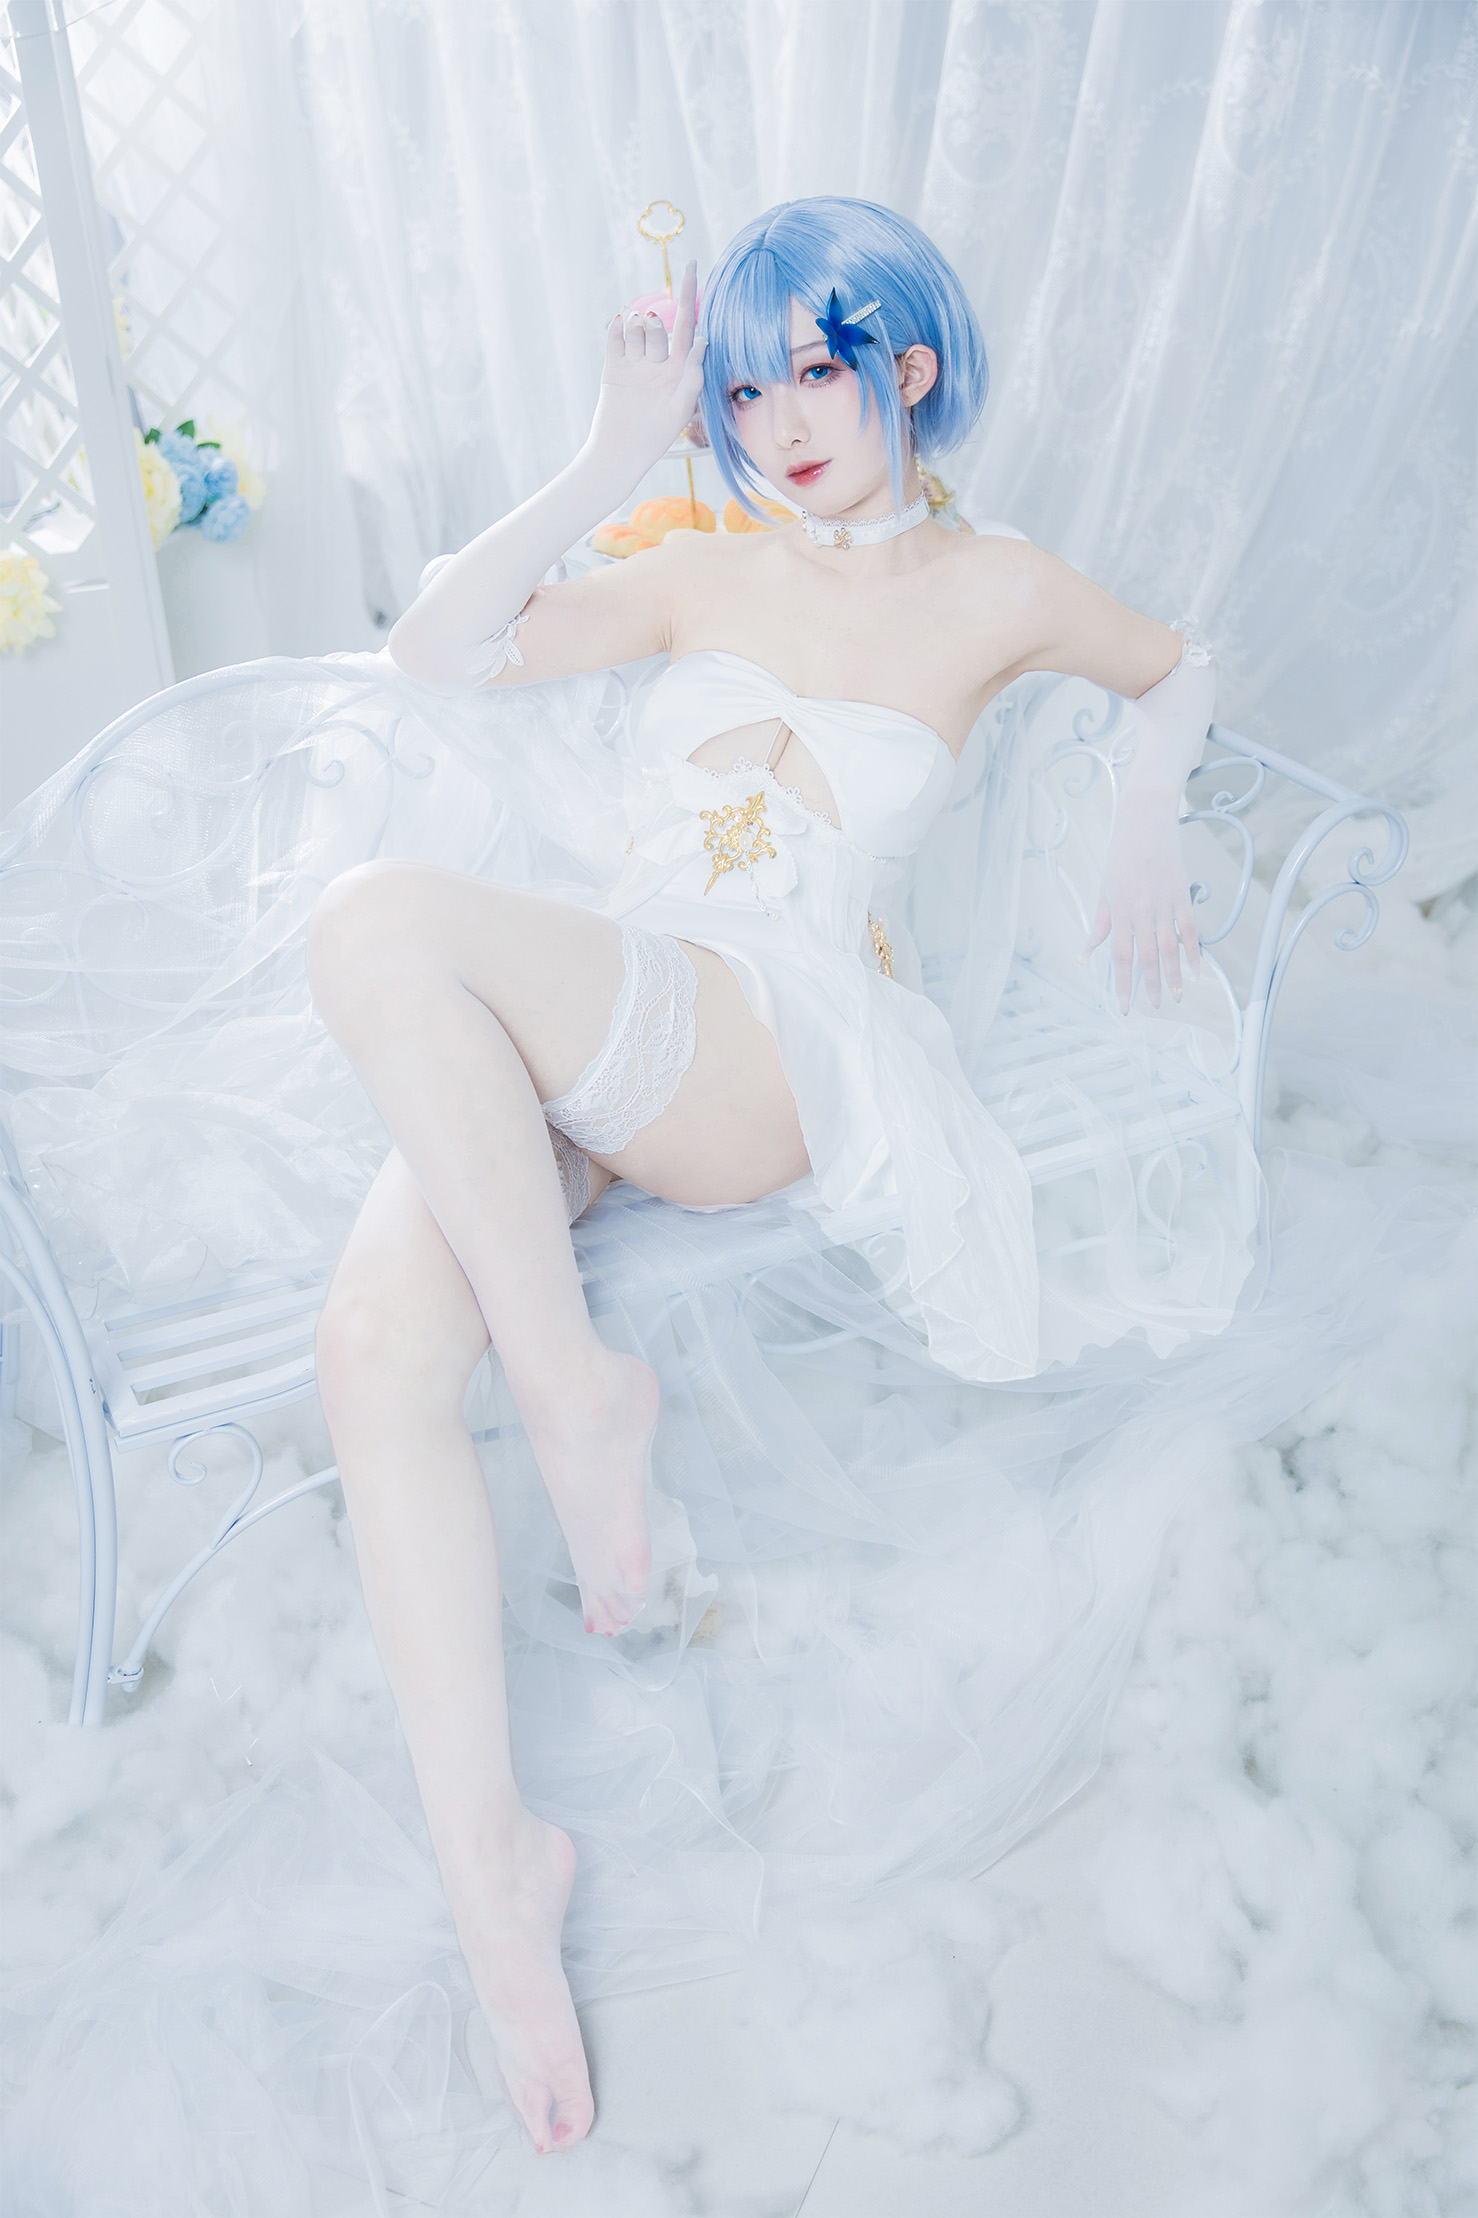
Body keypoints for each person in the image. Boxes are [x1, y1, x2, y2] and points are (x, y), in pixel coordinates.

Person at [299, 195, 1221, 2157]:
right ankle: (496, 1870)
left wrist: (1149, 810)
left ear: (905, 362)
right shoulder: (699, 566)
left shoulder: (1000, 589)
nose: (777, 419)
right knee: (369, 1342)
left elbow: (1179, 665)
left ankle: (574, 1395)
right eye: (740, 389)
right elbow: (434, 646)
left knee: (377, 916)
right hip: (619, 1000)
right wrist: (607, 456)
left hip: (776, 1041)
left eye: (813, 368)